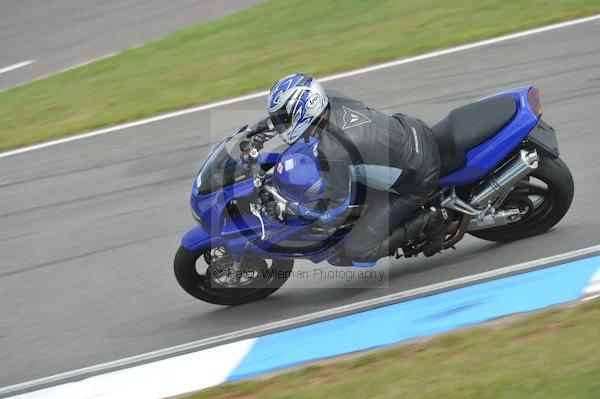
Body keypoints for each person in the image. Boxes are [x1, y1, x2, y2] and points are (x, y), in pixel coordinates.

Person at [253, 73, 447, 261]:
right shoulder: (330, 97)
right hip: (410, 129)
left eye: (283, 118)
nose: (280, 124)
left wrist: (289, 209)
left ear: (303, 111)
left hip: (418, 177)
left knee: (357, 249)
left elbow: (335, 209)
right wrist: (261, 129)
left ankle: (430, 219)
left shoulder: (333, 152)